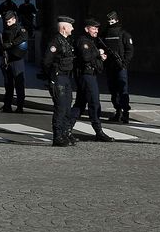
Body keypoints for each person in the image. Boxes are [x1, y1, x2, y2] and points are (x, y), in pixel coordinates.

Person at [73, 19, 114, 142]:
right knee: (94, 103)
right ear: (87, 29)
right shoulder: (83, 41)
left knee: (79, 105)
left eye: (97, 28)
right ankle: (98, 131)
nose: (96, 30)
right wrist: (98, 53)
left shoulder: (91, 41)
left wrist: (100, 58)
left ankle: (66, 128)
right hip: (86, 76)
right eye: (94, 28)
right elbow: (86, 57)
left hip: (89, 74)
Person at [41, 16, 77, 147]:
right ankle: (57, 136)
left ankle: (65, 134)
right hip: (58, 78)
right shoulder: (55, 42)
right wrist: (52, 77)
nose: (72, 28)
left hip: (66, 77)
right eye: (70, 26)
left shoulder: (66, 41)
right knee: (61, 108)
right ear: (64, 28)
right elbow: (46, 62)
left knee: (67, 106)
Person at [101, 11, 134, 123]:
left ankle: (125, 113)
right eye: (109, 20)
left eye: (112, 20)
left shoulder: (124, 34)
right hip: (110, 66)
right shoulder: (105, 34)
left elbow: (129, 51)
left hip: (120, 67)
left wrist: (124, 63)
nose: (110, 22)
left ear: (117, 20)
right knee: (113, 90)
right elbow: (100, 47)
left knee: (123, 90)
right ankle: (118, 111)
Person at [0, 11, 28, 113]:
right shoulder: (6, 30)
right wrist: (0, 47)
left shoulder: (20, 29)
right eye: (6, 22)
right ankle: (7, 106)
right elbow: (0, 43)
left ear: (14, 19)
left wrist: (11, 44)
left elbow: (24, 37)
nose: (7, 23)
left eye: (9, 21)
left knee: (19, 84)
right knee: (8, 85)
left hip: (16, 60)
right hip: (7, 59)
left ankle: (19, 107)